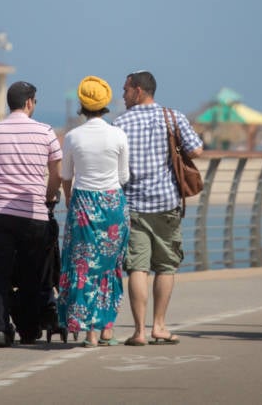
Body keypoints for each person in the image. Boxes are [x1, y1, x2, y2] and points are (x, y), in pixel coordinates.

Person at [114, 70, 203, 346]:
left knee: (137, 268)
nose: (123, 94)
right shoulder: (172, 116)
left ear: (138, 90)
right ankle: (160, 326)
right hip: (167, 203)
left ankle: (139, 331)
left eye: (126, 90)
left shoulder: (120, 123)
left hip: (133, 204)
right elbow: (197, 150)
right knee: (165, 266)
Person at [0, 81, 62, 347]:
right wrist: (48, 195)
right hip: (33, 213)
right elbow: (57, 174)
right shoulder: (46, 132)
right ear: (29, 103)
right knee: (31, 273)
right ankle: (28, 329)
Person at [57, 76, 130, 348]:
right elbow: (123, 176)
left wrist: (68, 197)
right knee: (110, 266)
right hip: (113, 204)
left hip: (83, 204)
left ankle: (88, 332)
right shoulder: (119, 135)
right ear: (106, 103)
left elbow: (65, 174)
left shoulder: (73, 137)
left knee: (83, 265)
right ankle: (107, 327)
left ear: (82, 104)